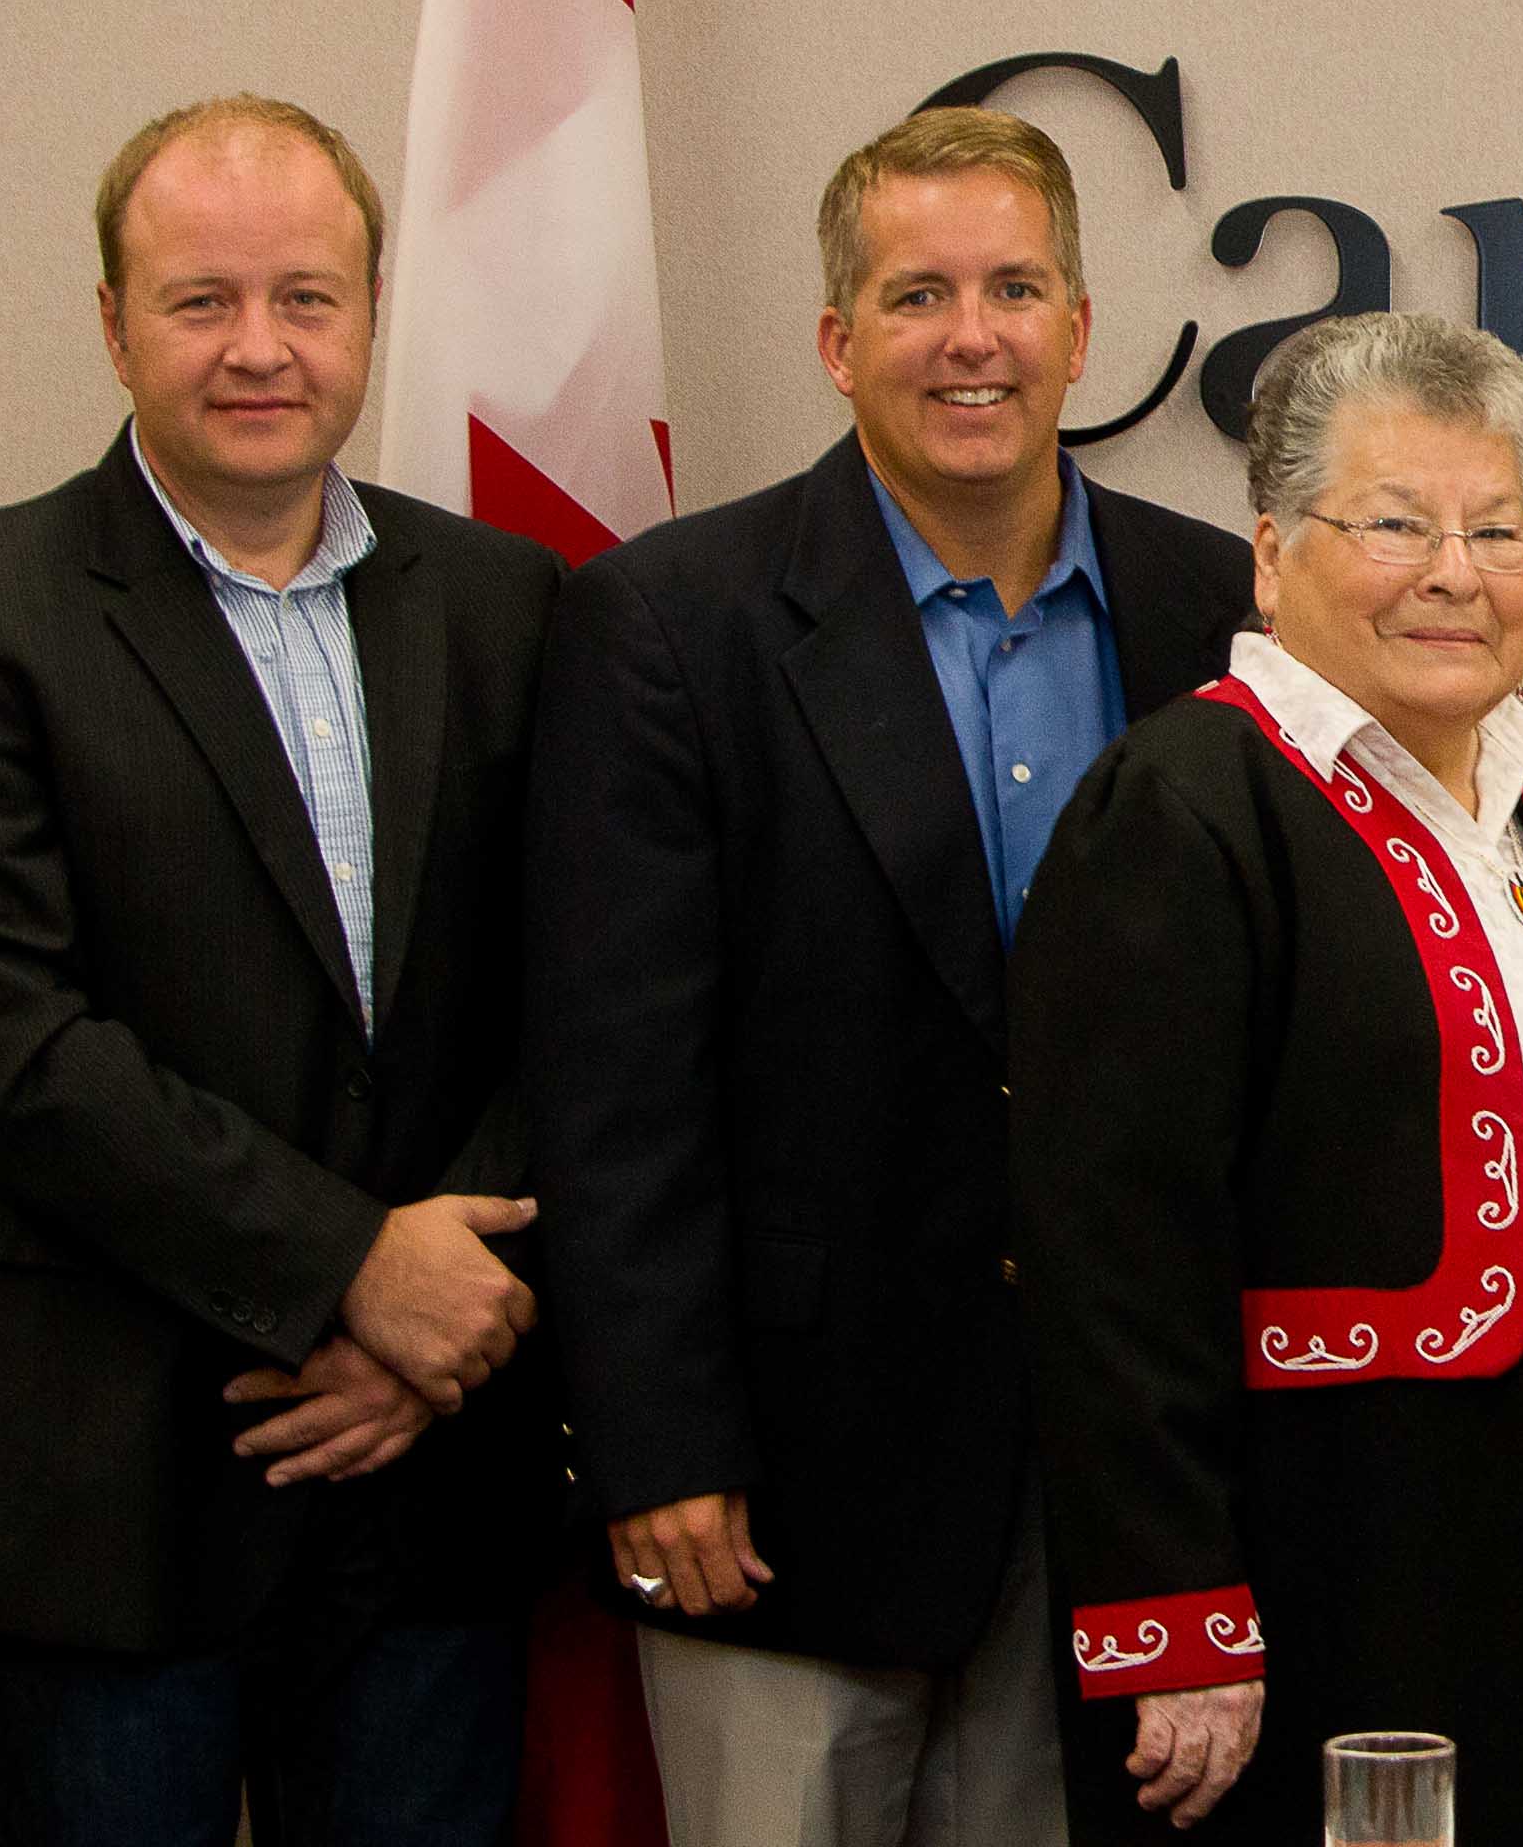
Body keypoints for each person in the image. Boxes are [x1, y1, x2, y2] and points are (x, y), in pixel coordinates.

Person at [0, 93, 570, 1846]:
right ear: (112, 321)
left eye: (307, 299)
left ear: (371, 314)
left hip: (432, 1477)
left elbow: (585, 992)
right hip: (106, 1496)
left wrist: (435, 1316)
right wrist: (349, 1270)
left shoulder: (513, 601)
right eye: (202, 302)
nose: (262, 349)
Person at [523, 105, 1251, 1847]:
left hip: (1102, 1473)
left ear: (1082, 329)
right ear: (840, 343)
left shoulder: (1215, 604)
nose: (972, 336)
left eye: (1015, 287)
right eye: (918, 294)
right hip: (784, 1477)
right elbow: (615, 1079)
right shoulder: (670, 623)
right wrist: (658, 1442)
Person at [1010, 311, 1523, 1845]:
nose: (1453, 572)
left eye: (1497, 529)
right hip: (1350, 1546)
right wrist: (1176, 1617)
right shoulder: (1182, 804)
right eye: (1396, 524)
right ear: (1272, 555)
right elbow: (1111, 1254)